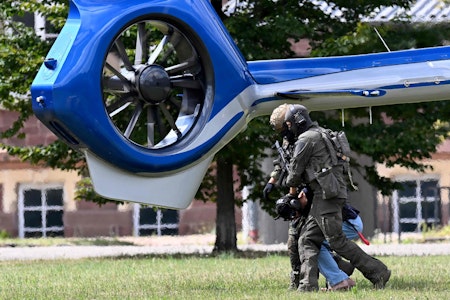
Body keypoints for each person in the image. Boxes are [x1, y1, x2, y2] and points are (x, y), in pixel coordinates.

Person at [269, 103, 391, 292]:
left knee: (336, 241)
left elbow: (293, 175)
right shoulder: (321, 132)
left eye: (290, 125)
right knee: (307, 240)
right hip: (328, 194)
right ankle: (309, 285)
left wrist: (288, 184)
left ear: (296, 123)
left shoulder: (305, 140)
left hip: (325, 196)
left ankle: (378, 272)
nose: (289, 129)